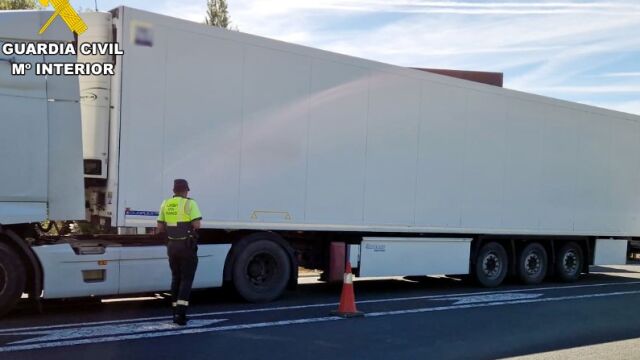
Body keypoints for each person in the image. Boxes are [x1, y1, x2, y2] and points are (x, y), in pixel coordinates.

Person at [157, 179, 202, 325]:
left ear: (174, 191)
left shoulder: (165, 203)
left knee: (176, 278)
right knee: (186, 279)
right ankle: (180, 315)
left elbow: (160, 227)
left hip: (171, 246)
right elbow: (197, 224)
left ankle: (174, 311)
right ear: (185, 190)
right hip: (186, 246)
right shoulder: (190, 203)